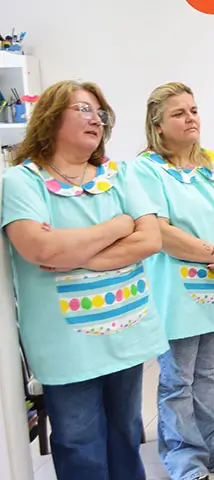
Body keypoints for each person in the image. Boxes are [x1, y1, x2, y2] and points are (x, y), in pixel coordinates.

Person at [1, 80, 169, 479]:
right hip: (66, 344)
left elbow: (150, 240)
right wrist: (118, 226)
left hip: (126, 328)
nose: (97, 119)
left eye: (101, 113)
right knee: (79, 442)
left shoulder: (119, 174)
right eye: (83, 109)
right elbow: (41, 249)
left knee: (126, 432)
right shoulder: (22, 181)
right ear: (50, 117)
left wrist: (77, 256)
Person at [130, 82, 214, 479]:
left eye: (194, 110)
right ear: (157, 125)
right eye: (179, 113)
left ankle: (212, 440)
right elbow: (159, 231)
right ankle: (182, 453)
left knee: (206, 374)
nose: (190, 118)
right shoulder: (146, 169)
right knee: (177, 378)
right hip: (176, 289)